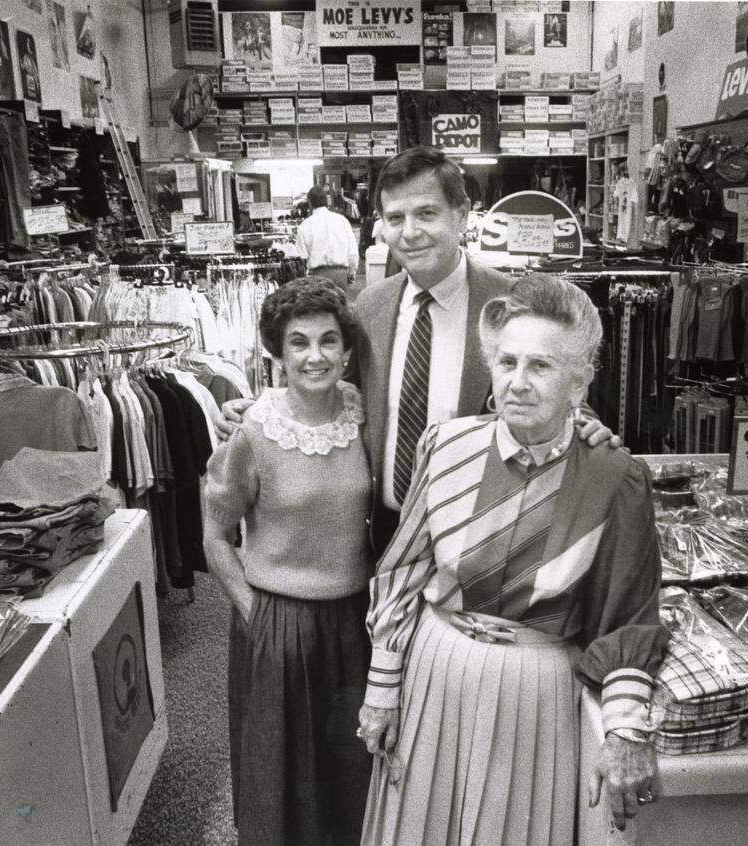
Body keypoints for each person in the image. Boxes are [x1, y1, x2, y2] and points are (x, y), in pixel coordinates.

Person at [356, 274, 668, 844]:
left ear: (581, 381)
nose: (517, 383)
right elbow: (403, 572)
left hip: (534, 694)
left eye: (541, 367)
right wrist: (382, 688)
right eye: (506, 362)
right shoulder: (445, 446)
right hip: (433, 671)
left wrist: (625, 730)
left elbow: (629, 614)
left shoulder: (614, 478)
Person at [218, 146, 620, 552]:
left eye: (426, 213)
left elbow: (549, 375)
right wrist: (264, 408)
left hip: (483, 525)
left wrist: (581, 419)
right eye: (395, 218)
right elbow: (335, 392)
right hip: (384, 528)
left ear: (461, 215)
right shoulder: (370, 307)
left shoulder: (509, 302)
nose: (409, 232)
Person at [202, 278, 373, 845]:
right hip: (279, 621)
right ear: (277, 352)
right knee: (280, 778)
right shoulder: (252, 431)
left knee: (348, 773)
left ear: (347, 351)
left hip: (353, 622)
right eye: (299, 343)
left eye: (329, 341)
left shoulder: (360, 414)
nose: (316, 356)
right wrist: (257, 612)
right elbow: (214, 536)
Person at [295, 185, 358, 291]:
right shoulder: (342, 220)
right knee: (340, 306)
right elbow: (352, 253)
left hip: (316, 277)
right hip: (340, 275)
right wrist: (351, 273)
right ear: (327, 201)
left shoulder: (304, 226)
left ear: (310, 203)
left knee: (319, 307)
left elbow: (302, 258)